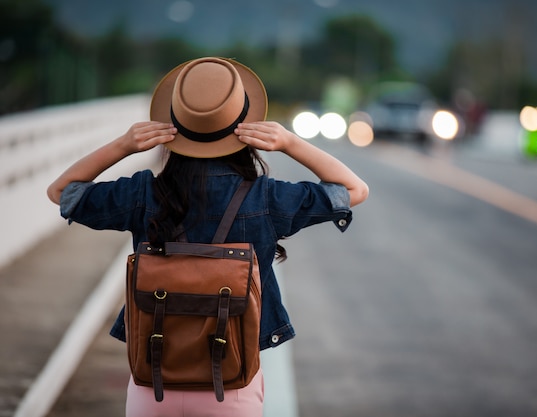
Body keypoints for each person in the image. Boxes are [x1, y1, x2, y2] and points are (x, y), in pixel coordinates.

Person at [47, 57, 369, 417]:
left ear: (174, 126)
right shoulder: (267, 199)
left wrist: (123, 145)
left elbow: (63, 192)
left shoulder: (143, 194)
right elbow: (353, 189)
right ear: (246, 129)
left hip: (152, 382)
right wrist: (290, 142)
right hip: (231, 386)